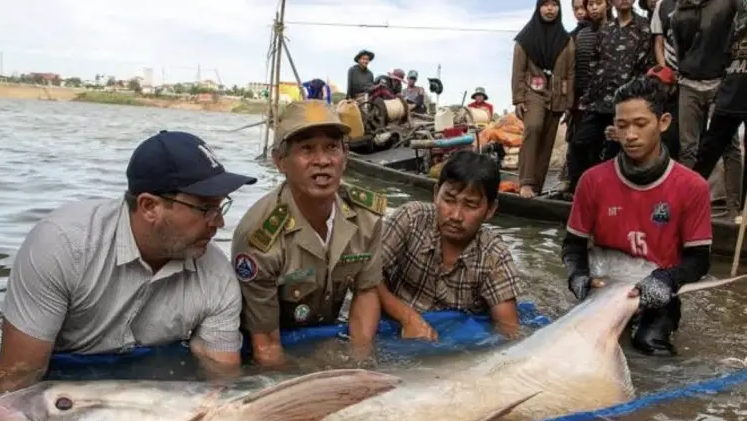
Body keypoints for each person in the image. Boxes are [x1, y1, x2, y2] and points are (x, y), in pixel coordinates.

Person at [0, 131, 258, 394]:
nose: (219, 222)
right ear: (149, 206)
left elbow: (223, 384)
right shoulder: (62, 246)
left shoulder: (216, 274)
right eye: (205, 208)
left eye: (221, 207)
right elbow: (14, 385)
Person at [561, 77, 712, 356]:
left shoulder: (693, 186)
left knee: (649, 346)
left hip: (656, 290)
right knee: (579, 349)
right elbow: (573, 245)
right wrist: (578, 277)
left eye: (640, 124)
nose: (630, 135)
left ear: (663, 122)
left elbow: (698, 260)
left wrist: (664, 282)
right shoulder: (591, 181)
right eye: (622, 126)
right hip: (603, 287)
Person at [231, 100, 385, 368]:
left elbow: (366, 291)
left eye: (332, 147)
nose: (323, 161)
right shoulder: (259, 235)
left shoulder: (365, 216)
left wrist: (360, 364)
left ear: (345, 156)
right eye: (306, 149)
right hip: (270, 341)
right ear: (280, 161)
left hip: (324, 333)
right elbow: (266, 344)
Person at [378, 151, 522, 341]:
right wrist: (408, 318)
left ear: (490, 210)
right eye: (449, 200)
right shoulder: (411, 220)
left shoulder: (494, 256)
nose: (455, 215)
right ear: (436, 194)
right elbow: (366, 277)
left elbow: (509, 332)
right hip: (391, 329)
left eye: (470, 205)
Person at [570, 0, 654, 194]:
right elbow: (594, 64)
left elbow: (645, 69)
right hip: (598, 101)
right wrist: (587, 98)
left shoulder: (644, 28)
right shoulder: (606, 29)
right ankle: (585, 191)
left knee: (615, 152)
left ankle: (614, 196)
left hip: (625, 105)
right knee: (580, 143)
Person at [671, 0, 742, 217]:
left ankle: (734, 207)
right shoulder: (678, 13)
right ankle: (689, 204)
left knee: (730, 146)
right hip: (689, 82)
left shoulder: (727, 4)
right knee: (688, 147)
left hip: (722, 80)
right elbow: (679, 49)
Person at [511, 0, 575, 198]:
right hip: (533, 92)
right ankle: (526, 183)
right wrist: (518, 98)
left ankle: (537, 187)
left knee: (548, 140)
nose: (550, 9)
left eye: (554, 5)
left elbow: (571, 72)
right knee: (533, 128)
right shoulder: (525, 39)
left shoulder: (566, 40)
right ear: (538, 8)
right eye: (545, 5)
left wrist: (569, 103)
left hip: (557, 95)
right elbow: (518, 70)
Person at [693, 0, 747, 220]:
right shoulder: (731, 14)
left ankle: (741, 212)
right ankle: (685, 198)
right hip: (731, 88)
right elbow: (722, 52)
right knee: (708, 149)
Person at [562, 0, 610, 196]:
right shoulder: (578, 35)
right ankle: (576, 186)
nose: (584, 11)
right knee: (577, 142)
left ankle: (596, 189)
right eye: (578, 8)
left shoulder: (609, 30)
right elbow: (570, 70)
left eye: (588, 5)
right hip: (580, 97)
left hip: (605, 97)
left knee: (600, 145)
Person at [650, 0, 681, 159]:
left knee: (689, 133)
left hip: (692, 75)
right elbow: (658, 41)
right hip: (669, 76)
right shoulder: (662, 5)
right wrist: (666, 72)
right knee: (668, 129)